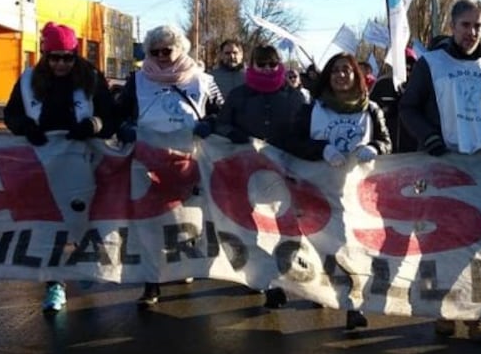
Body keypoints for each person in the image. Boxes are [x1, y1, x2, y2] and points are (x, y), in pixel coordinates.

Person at [399, 0, 481, 344]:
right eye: (465, 25)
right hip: (441, 167)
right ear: (452, 25)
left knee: (480, 245)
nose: (472, 32)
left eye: (478, 25)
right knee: (440, 244)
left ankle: (475, 314)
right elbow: (408, 108)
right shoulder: (431, 64)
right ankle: (442, 310)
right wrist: (430, 139)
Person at [3, 22, 117, 315]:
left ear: (75, 55)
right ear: (45, 54)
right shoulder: (29, 79)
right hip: (43, 162)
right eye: (54, 57)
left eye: (67, 57)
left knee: (82, 221)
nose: (61, 64)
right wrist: (25, 126)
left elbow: (109, 115)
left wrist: (94, 125)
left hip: (83, 161)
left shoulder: (90, 78)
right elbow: (11, 113)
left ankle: (83, 267)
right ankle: (55, 283)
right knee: (49, 225)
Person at [115, 24, 223, 308]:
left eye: (168, 50)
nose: (162, 56)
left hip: (190, 162)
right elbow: (118, 113)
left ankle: (182, 266)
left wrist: (209, 124)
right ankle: (152, 283)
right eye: (155, 51)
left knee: (187, 221)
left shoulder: (202, 80)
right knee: (150, 223)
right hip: (147, 162)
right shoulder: (137, 80)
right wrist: (123, 127)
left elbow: (223, 115)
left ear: (181, 49)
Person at [289, 52, 392, 330]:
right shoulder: (313, 109)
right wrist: (321, 149)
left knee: (353, 248)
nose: (341, 75)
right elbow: (294, 141)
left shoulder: (370, 110)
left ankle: (353, 305)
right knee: (321, 246)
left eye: (346, 70)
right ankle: (321, 290)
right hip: (317, 191)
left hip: (357, 195)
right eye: (335, 71)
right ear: (327, 76)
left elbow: (386, 141)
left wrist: (376, 148)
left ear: (356, 75)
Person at [216, 44, 307, 309]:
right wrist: (234, 135)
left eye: (272, 64)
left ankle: (284, 277)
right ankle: (267, 282)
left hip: (284, 173)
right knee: (252, 229)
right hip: (246, 173)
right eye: (262, 64)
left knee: (285, 229)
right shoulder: (238, 95)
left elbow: (304, 131)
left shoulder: (294, 96)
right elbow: (222, 123)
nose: (267, 68)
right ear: (252, 65)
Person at [369, 47, 418, 153]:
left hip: (414, 147)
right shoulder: (382, 84)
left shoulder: (420, 84)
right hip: (388, 146)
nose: (407, 67)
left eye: (411, 63)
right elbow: (370, 112)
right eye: (404, 62)